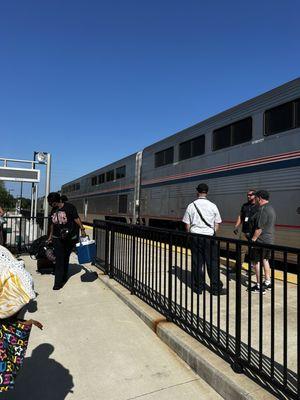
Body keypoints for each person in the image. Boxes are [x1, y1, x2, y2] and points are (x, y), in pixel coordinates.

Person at [182, 183, 224, 295]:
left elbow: (187, 225)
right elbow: (217, 223)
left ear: (197, 192)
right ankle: (215, 288)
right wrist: (211, 232)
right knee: (212, 263)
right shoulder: (213, 205)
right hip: (209, 238)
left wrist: (191, 233)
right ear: (207, 192)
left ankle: (198, 288)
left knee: (197, 263)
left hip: (195, 237)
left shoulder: (191, 206)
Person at [47, 192, 86, 290]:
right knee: (59, 259)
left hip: (69, 237)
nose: (52, 205)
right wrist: (50, 236)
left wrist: (82, 229)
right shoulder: (53, 210)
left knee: (65, 257)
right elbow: (52, 224)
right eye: (50, 203)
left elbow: (76, 218)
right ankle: (58, 283)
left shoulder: (70, 207)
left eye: (53, 203)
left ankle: (64, 276)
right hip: (57, 238)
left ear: (58, 200)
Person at [249, 190, 276, 293]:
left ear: (259, 198)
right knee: (265, 260)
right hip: (269, 240)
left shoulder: (262, 210)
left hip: (261, 241)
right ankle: (268, 282)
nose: (254, 200)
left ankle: (259, 286)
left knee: (256, 262)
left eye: (255, 198)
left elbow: (259, 228)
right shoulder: (271, 208)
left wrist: (253, 240)